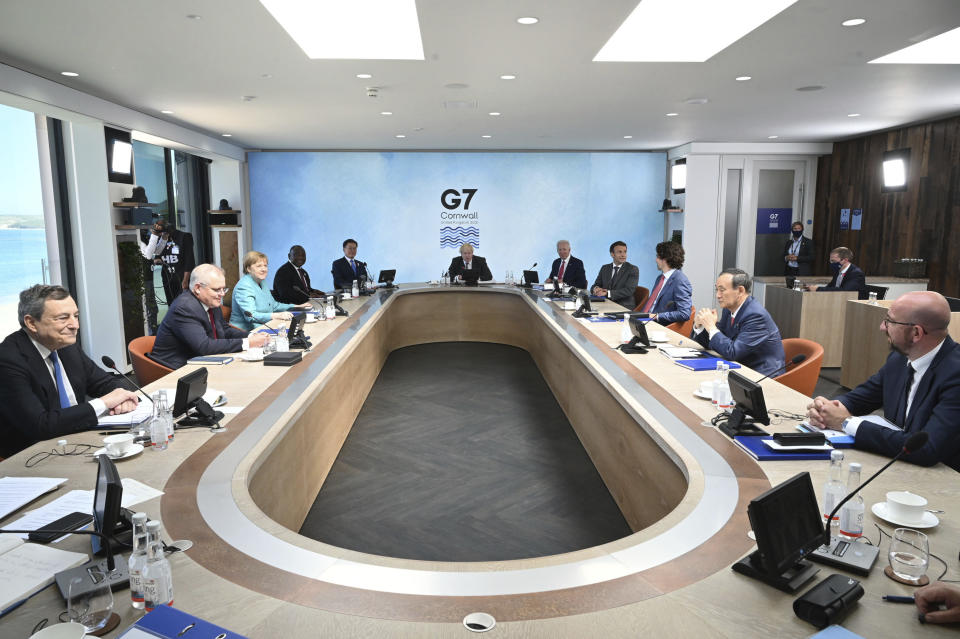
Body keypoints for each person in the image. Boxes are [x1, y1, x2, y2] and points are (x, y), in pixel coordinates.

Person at [806, 291, 960, 469]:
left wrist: (844, 422)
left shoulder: (955, 374)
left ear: (916, 333)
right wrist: (826, 408)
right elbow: (863, 396)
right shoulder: (899, 359)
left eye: (890, 321)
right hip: (898, 467)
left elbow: (927, 449)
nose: (882, 327)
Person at [0, 285, 140, 458]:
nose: (74, 325)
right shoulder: (8, 360)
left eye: (76, 316)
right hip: (33, 456)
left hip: (78, 440)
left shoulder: (66, 347)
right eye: (63, 318)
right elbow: (41, 426)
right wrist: (103, 403)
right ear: (31, 323)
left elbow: (106, 384)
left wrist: (122, 398)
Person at [151, 264, 270, 370]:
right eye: (217, 289)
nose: (222, 294)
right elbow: (204, 346)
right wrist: (248, 343)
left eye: (224, 289)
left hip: (202, 362)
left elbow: (224, 330)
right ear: (198, 288)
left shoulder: (211, 301)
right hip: (175, 370)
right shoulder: (184, 307)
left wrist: (252, 336)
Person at [692, 268, 785, 377]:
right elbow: (717, 344)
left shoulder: (756, 315)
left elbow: (733, 352)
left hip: (760, 375)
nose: (717, 295)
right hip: (739, 367)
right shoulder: (729, 309)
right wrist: (701, 326)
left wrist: (712, 327)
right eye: (716, 289)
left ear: (740, 291)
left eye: (722, 290)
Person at [231, 251, 311, 331]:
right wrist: (278, 315)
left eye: (265, 266)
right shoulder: (244, 286)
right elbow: (251, 316)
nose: (263, 269)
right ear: (248, 269)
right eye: (259, 266)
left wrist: (296, 306)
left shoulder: (262, 281)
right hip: (245, 332)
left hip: (265, 325)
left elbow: (274, 305)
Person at [139, 218, 195, 305]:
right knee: (171, 303)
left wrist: (185, 280)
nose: (162, 234)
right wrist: (156, 258)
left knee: (185, 304)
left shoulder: (184, 237)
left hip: (181, 275)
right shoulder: (159, 237)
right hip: (167, 277)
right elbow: (155, 253)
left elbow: (189, 261)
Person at [640, 241, 692, 325]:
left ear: (665, 259)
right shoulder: (659, 278)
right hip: (644, 321)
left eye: (657, 256)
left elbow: (684, 313)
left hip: (658, 326)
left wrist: (656, 316)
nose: (656, 260)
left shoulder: (680, 280)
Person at [592, 241, 639, 307]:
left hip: (624, 306)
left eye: (625, 252)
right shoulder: (605, 268)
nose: (623, 255)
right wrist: (596, 289)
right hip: (605, 304)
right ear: (612, 254)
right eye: (619, 252)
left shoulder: (632, 269)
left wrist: (607, 293)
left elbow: (629, 290)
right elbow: (596, 284)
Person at [783, 221, 814, 287]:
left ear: (802, 230)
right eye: (795, 229)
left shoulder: (808, 242)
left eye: (799, 228)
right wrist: (786, 257)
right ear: (792, 230)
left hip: (801, 271)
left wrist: (797, 258)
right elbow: (784, 255)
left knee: (800, 289)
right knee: (789, 289)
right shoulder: (789, 242)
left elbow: (812, 257)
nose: (797, 230)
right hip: (789, 270)